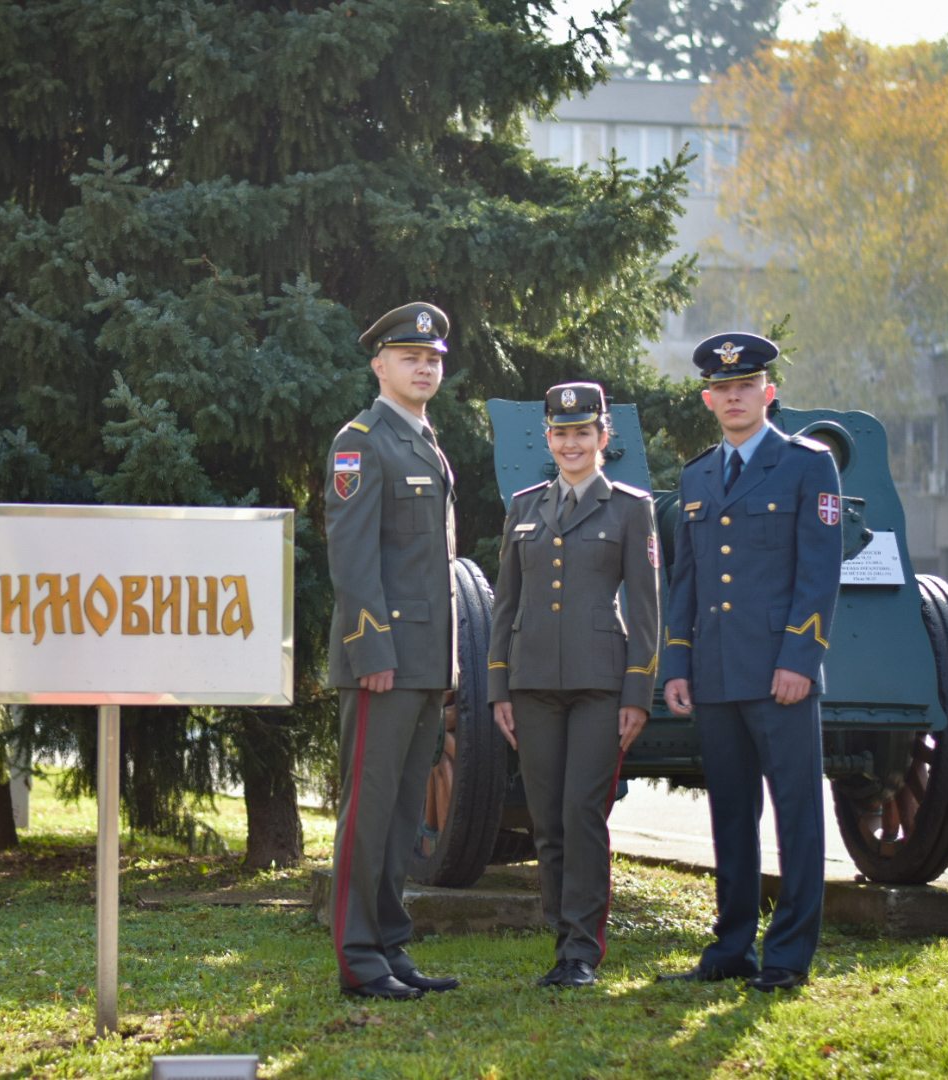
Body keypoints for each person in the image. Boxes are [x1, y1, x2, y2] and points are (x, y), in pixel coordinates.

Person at [657, 332, 843, 993]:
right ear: (709, 399)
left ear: (768, 393)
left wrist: (801, 656)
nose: (734, 398)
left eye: (746, 387)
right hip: (714, 674)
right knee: (731, 812)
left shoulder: (807, 465)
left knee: (796, 812)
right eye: (722, 389)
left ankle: (788, 952)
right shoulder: (698, 475)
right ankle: (732, 945)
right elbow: (688, 581)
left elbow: (820, 574)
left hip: (779, 673)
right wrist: (676, 664)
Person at [486, 382, 660, 989]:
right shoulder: (525, 507)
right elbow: (505, 605)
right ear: (548, 439)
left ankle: (583, 949)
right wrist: (498, 688)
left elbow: (645, 610)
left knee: (583, 811)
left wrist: (638, 693)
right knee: (546, 820)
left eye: (583, 432)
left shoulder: (631, 508)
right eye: (560, 433)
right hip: (531, 684)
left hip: (599, 686)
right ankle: (562, 936)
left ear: (603, 438)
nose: (571, 443)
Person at [324, 301, 461, 1001]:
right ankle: (357, 956)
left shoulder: (424, 442)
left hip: (425, 663)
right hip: (381, 663)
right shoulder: (362, 441)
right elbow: (352, 560)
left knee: (406, 812)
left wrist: (448, 665)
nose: (424, 368)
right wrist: (370, 647)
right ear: (380, 365)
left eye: (434, 359)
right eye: (411, 358)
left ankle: (391, 944)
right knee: (369, 811)